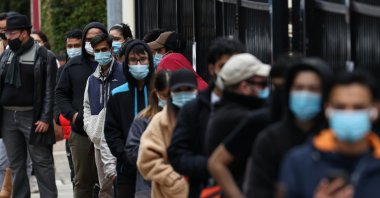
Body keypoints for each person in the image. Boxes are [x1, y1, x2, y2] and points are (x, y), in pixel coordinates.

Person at [279, 71, 380, 198]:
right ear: (328, 109)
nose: (349, 114)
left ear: (375, 110)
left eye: (358, 107)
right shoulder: (298, 163)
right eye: (340, 107)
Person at [243, 58, 332, 198]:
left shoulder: (335, 137)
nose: (305, 95)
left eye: (313, 89)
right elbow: (257, 190)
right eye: (299, 88)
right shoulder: (270, 140)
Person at [167, 37, 245, 197]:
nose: (230, 72)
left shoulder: (253, 107)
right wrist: (212, 165)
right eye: (224, 66)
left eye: (235, 66)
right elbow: (177, 155)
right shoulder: (193, 110)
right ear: (212, 69)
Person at [0, 13, 58, 197]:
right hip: (8, 117)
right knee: (16, 165)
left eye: (11, 33)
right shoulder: (7, 53)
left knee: (42, 162)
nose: (7, 37)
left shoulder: (43, 55)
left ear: (24, 33)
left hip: (33, 117)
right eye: (6, 34)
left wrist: (45, 118)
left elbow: (50, 89)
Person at [56, 21, 108, 197]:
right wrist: (73, 115)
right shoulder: (73, 66)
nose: (93, 43)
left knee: (108, 181)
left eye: (97, 38)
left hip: (110, 133)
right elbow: (61, 94)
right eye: (89, 39)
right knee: (82, 181)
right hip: (81, 132)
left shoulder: (115, 66)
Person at [104, 40, 155, 197]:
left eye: (142, 59)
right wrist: (125, 156)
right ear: (126, 63)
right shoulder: (117, 94)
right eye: (133, 60)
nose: (138, 64)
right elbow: (111, 131)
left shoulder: (159, 93)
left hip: (157, 166)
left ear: (150, 61)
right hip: (127, 169)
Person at [137, 69, 198, 198]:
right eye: (178, 91)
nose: (183, 95)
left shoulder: (207, 116)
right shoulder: (159, 122)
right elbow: (146, 160)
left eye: (188, 89)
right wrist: (174, 180)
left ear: (196, 91)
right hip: (168, 193)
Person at [83, 33, 126, 197]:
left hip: (120, 138)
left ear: (111, 50)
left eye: (104, 49)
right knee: (105, 187)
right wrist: (90, 127)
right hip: (99, 140)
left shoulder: (123, 73)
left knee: (121, 182)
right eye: (97, 50)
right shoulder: (91, 79)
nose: (101, 53)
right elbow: (86, 105)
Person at [125, 70, 171, 197]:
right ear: (156, 93)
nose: (168, 100)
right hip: (147, 186)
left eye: (171, 95)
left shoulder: (183, 117)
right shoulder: (143, 119)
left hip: (175, 186)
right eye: (164, 95)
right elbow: (132, 151)